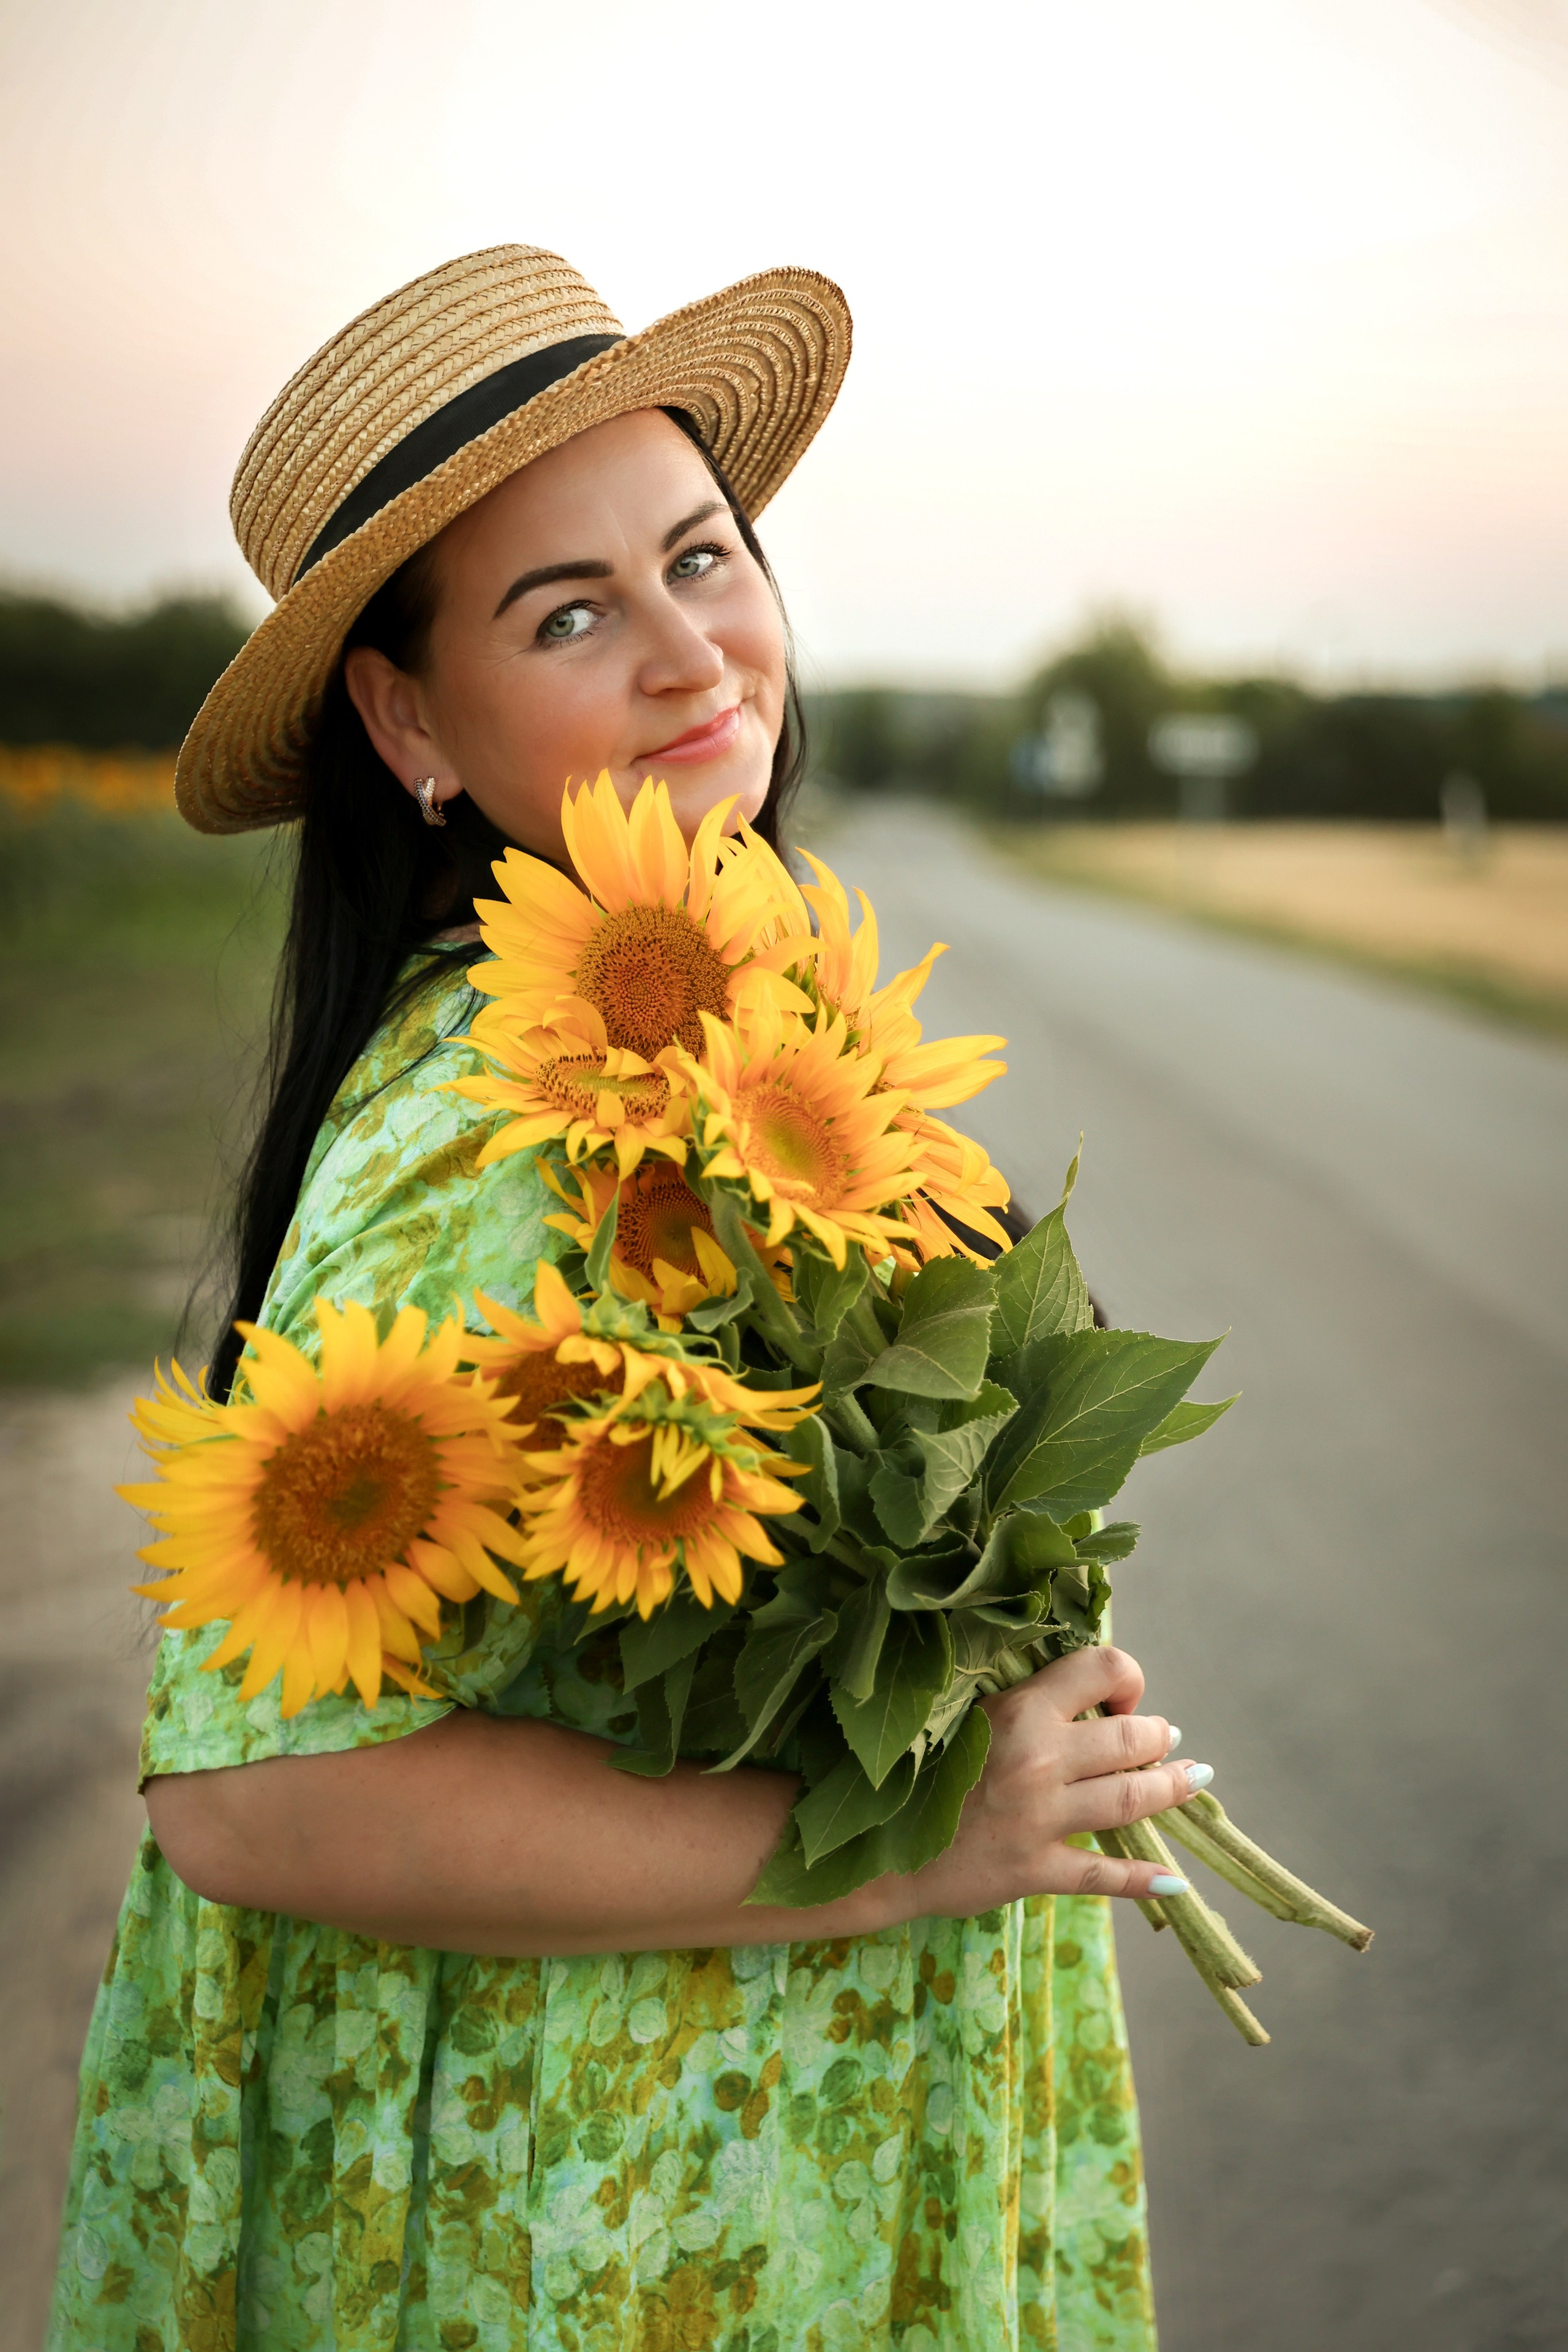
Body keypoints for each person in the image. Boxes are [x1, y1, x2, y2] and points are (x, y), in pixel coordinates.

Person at [49, 246, 1207, 2352]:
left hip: (765, 2156)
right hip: (617, 2211)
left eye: (706, 558)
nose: (697, 656)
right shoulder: (495, 1115)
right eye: (569, 613)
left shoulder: (743, 1004)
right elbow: (253, 1796)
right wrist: (912, 1842)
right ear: (406, 717)